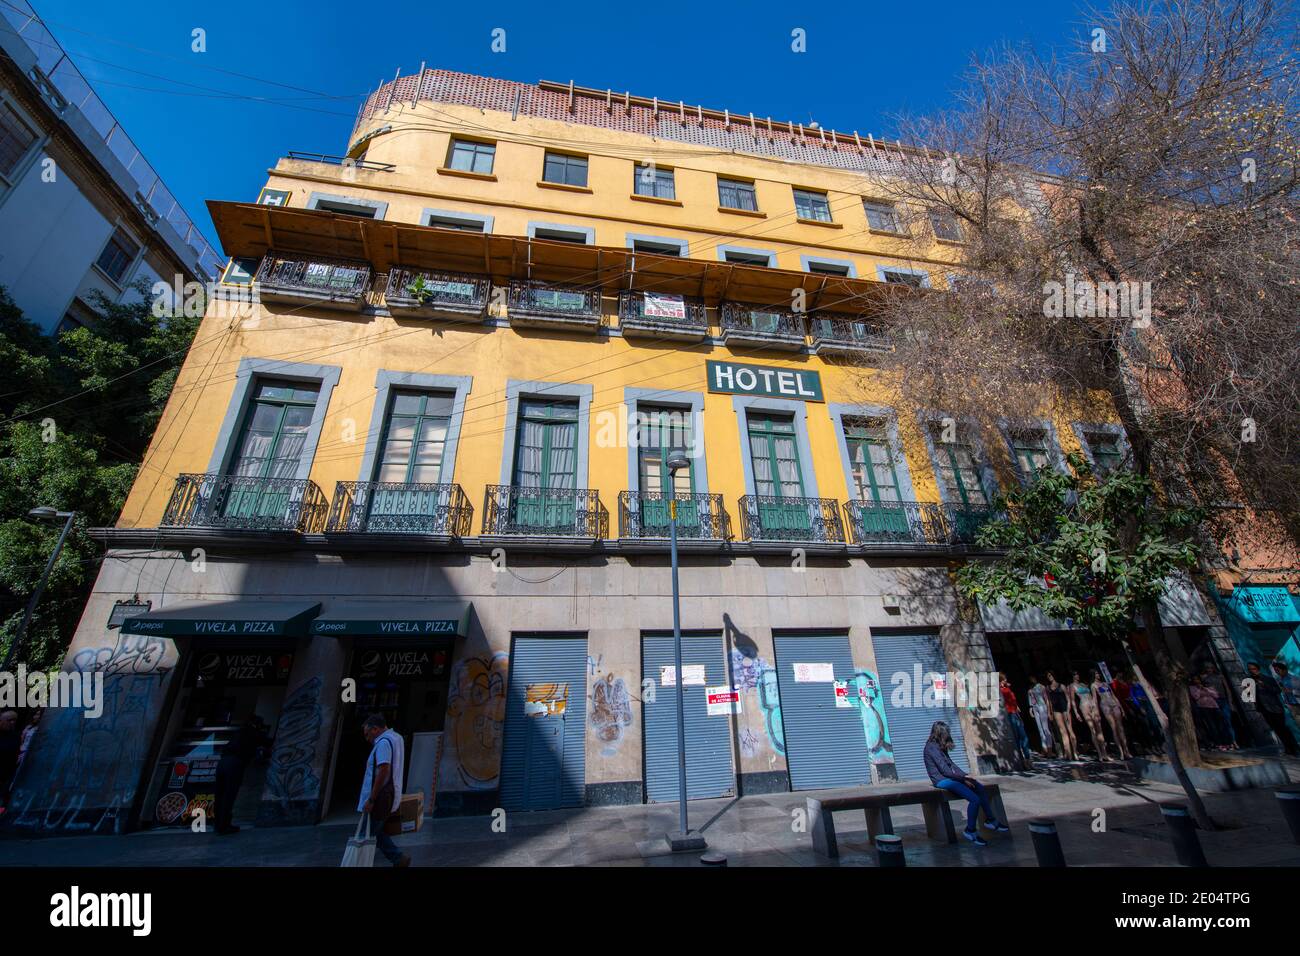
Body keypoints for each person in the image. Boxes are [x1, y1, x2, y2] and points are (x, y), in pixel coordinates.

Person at [923, 720, 1008, 846]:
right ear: (939, 734)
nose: (948, 736)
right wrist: (963, 780)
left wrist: (966, 775)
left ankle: (991, 820)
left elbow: (951, 764)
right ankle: (970, 831)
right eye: (946, 734)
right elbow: (945, 771)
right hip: (941, 780)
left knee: (979, 787)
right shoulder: (931, 748)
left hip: (949, 778)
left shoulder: (939, 745)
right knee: (974, 799)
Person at [358, 713, 410, 867]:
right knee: (376, 832)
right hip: (390, 794)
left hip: (380, 797)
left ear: (375, 729)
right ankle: (398, 859)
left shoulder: (383, 743)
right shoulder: (396, 738)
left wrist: (371, 799)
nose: (367, 739)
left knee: (365, 833)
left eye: (368, 734)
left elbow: (383, 770)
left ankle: (396, 858)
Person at [214, 716, 270, 834]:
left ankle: (218, 824)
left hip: (222, 762)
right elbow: (268, 742)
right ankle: (224, 825)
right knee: (229, 795)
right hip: (235, 763)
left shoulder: (239, 732)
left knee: (220, 795)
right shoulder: (254, 732)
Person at [1247, 662, 1299, 756]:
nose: (1252, 671)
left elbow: (1277, 691)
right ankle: (1287, 749)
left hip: (1275, 707)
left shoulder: (1268, 679)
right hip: (1263, 708)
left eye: (1253, 669)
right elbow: (1250, 696)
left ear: (1258, 668)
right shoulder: (1249, 681)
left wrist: (1264, 685)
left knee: (1283, 728)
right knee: (1276, 729)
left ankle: (1294, 747)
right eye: (1250, 669)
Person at [1072, 670, 1110, 761]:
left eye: (1077, 674)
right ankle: (1099, 753)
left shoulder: (1084, 684)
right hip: (1084, 705)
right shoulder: (1072, 686)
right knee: (1092, 729)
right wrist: (1076, 712)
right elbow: (1072, 700)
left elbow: (1092, 695)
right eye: (1075, 674)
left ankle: (1105, 753)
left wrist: (1095, 705)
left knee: (1099, 729)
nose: (1077, 676)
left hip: (1091, 704)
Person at [1093, 670, 1131, 760]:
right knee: (1114, 727)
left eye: (1098, 673)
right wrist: (1097, 710)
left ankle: (1126, 750)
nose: (1098, 675)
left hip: (1113, 703)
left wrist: (1121, 707)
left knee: (1120, 727)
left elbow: (1113, 695)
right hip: (1104, 705)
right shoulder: (1093, 685)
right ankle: (1121, 751)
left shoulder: (1106, 684)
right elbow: (1095, 699)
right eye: (1096, 674)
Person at [1200, 664, 1238, 750]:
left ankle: (1233, 741)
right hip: (1213, 701)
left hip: (1223, 700)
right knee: (1219, 722)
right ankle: (1225, 743)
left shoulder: (1220, 676)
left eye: (1210, 667)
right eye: (1207, 668)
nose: (1209, 669)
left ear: (1214, 668)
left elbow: (1227, 689)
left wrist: (1230, 701)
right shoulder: (1204, 678)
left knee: (1227, 721)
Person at [999, 675, 1034, 764]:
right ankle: (1022, 759)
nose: (1006, 680)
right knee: (1018, 737)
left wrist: (1017, 710)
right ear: (1001, 681)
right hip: (1010, 714)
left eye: (1005, 679)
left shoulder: (1008, 689)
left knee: (1023, 736)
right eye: (1004, 679)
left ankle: (1027, 758)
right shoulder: (1001, 690)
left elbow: (1013, 701)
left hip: (1015, 713)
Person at [1188, 677, 1228, 751]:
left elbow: (1216, 695)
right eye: (1195, 680)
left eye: (1198, 680)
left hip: (1214, 706)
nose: (1197, 681)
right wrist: (1199, 689)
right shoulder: (1192, 688)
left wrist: (1205, 689)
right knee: (1211, 726)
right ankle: (1218, 743)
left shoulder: (1209, 687)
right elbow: (1196, 697)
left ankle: (1225, 743)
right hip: (1203, 707)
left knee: (1220, 724)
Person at [1045, 672, 1078, 760]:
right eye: (1048, 676)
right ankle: (1068, 753)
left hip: (1064, 708)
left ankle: (1074, 751)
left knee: (1070, 730)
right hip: (1056, 710)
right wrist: (1049, 712)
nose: (1049, 677)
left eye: (1050, 675)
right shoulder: (1047, 688)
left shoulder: (1061, 686)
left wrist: (1068, 710)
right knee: (1062, 731)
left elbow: (1068, 699)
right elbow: (1048, 701)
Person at [1026, 675, 1055, 757]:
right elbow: (1031, 700)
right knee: (1040, 729)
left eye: (1033, 678)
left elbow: (1047, 700)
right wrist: (1031, 708)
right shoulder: (1030, 689)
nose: (1032, 679)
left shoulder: (1041, 687)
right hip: (1035, 708)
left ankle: (1049, 749)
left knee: (1046, 728)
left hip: (1042, 706)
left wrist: (1049, 711)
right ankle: (1044, 748)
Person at [0, 711, 20, 809]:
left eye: (14, 720)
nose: (12, 723)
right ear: (1, 721)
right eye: (9, 720)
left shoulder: (15, 736)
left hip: (7, 773)